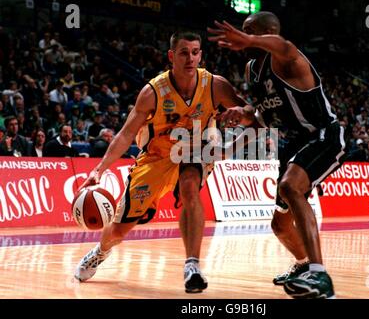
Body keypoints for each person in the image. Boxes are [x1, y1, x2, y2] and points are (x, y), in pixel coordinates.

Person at [74, 31, 248, 293]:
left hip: (195, 151)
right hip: (155, 159)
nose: (190, 58)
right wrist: (99, 170)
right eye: (183, 52)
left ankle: (192, 266)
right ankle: (101, 251)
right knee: (119, 230)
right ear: (171, 56)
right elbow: (125, 135)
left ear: (201, 54)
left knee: (190, 187)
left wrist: (241, 123)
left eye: (195, 52)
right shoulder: (153, 92)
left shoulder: (216, 85)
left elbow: (251, 116)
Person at [208, 11, 346, 299]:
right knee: (280, 226)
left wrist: (249, 39)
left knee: (289, 186)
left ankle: (321, 278)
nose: (241, 35)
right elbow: (262, 118)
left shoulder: (287, 56)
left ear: (267, 31)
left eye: (248, 30)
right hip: (295, 144)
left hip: (323, 135)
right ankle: (303, 264)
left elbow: (282, 45)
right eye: (243, 32)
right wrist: (240, 118)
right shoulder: (251, 70)